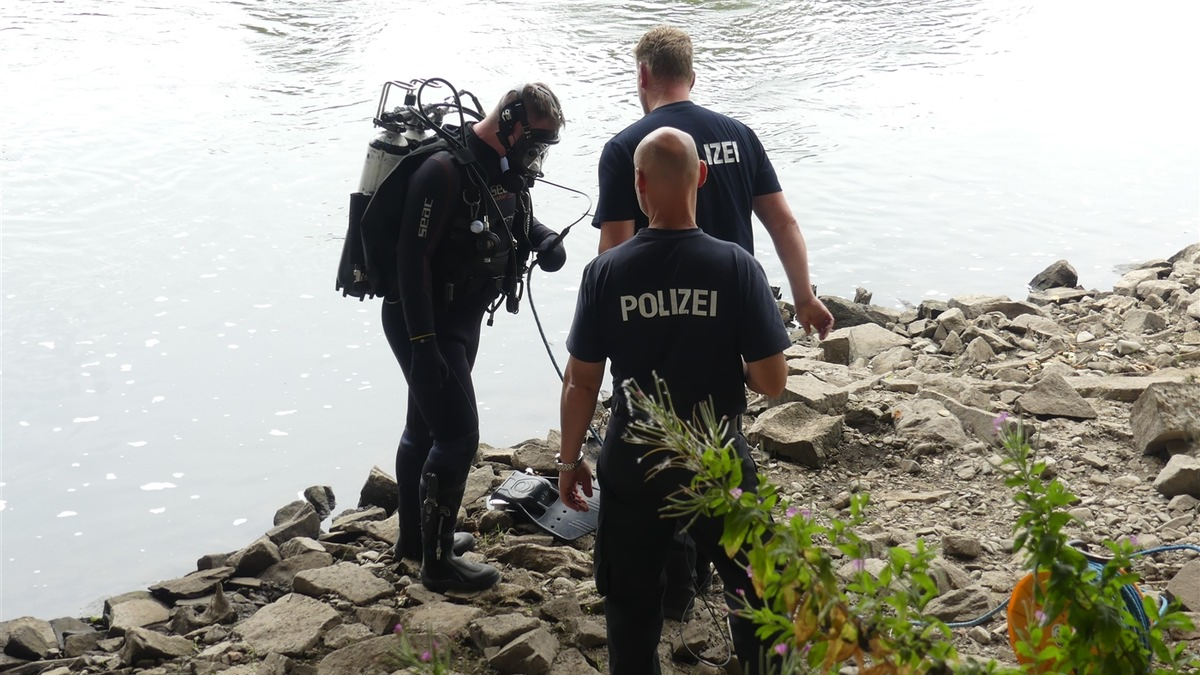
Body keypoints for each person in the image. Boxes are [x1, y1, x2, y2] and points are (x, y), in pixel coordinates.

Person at [594, 25, 835, 619]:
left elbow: (613, 256)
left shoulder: (628, 148)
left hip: (651, 327)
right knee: (719, 433)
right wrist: (803, 296)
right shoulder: (739, 136)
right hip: (734, 316)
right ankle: (715, 570)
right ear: (692, 73)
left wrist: (604, 334)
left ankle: (674, 589)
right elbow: (783, 223)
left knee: (655, 441)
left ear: (643, 76)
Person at [558, 127, 789, 675]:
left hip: (634, 458)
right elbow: (772, 382)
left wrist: (569, 462)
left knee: (630, 603)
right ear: (702, 177)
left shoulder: (605, 272)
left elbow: (582, 382)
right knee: (756, 590)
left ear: (638, 184)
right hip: (716, 455)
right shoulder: (737, 266)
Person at [382, 83, 568, 593]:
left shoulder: (501, 167)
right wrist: (422, 344)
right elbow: (410, 259)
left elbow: (509, 213)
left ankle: (415, 541)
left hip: (460, 320)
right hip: (425, 322)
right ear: (509, 121)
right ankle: (438, 565)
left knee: (423, 430)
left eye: (545, 145)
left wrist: (543, 238)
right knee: (459, 437)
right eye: (534, 140)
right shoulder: (442, 171)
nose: (538, 153)